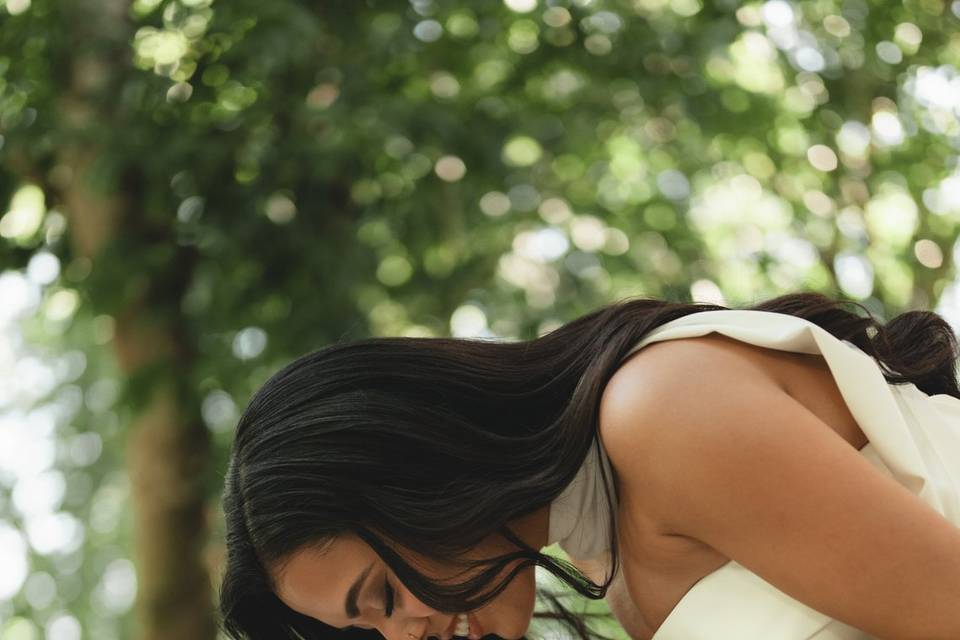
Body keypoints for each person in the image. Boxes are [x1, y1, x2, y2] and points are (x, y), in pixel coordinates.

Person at [217, 291, 960, 640]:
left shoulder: (659, 413)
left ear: (415, 472)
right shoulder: (616, 566)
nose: (402, 636)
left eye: (380, 596)